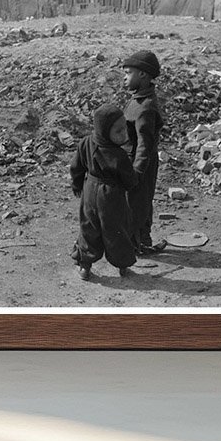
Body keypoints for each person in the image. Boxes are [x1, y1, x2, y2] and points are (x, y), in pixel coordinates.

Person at [69, 103, 139, 280]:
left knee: (89, 227)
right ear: (104, 130)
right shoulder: (119, 155)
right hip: (111, 196)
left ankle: (85, 266)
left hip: (90, 191)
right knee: (117, 230)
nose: (124, 134)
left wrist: (77, 185)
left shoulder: (86, 143)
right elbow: (129, 179)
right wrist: (130, 187)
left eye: (124, 129)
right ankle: (123, 266)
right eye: (118, 131)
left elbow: (76, 167)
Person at [122, 50, 165, 255]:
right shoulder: (136, 100)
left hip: (140, 164)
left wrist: (136, 173)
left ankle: (136, 244)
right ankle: (140, 241)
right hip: (132, 161)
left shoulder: (145, 107)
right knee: (137, 202)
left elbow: (144, 145)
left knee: (138, 204)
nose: (125, 77)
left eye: (129, 72)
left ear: (143, 75)